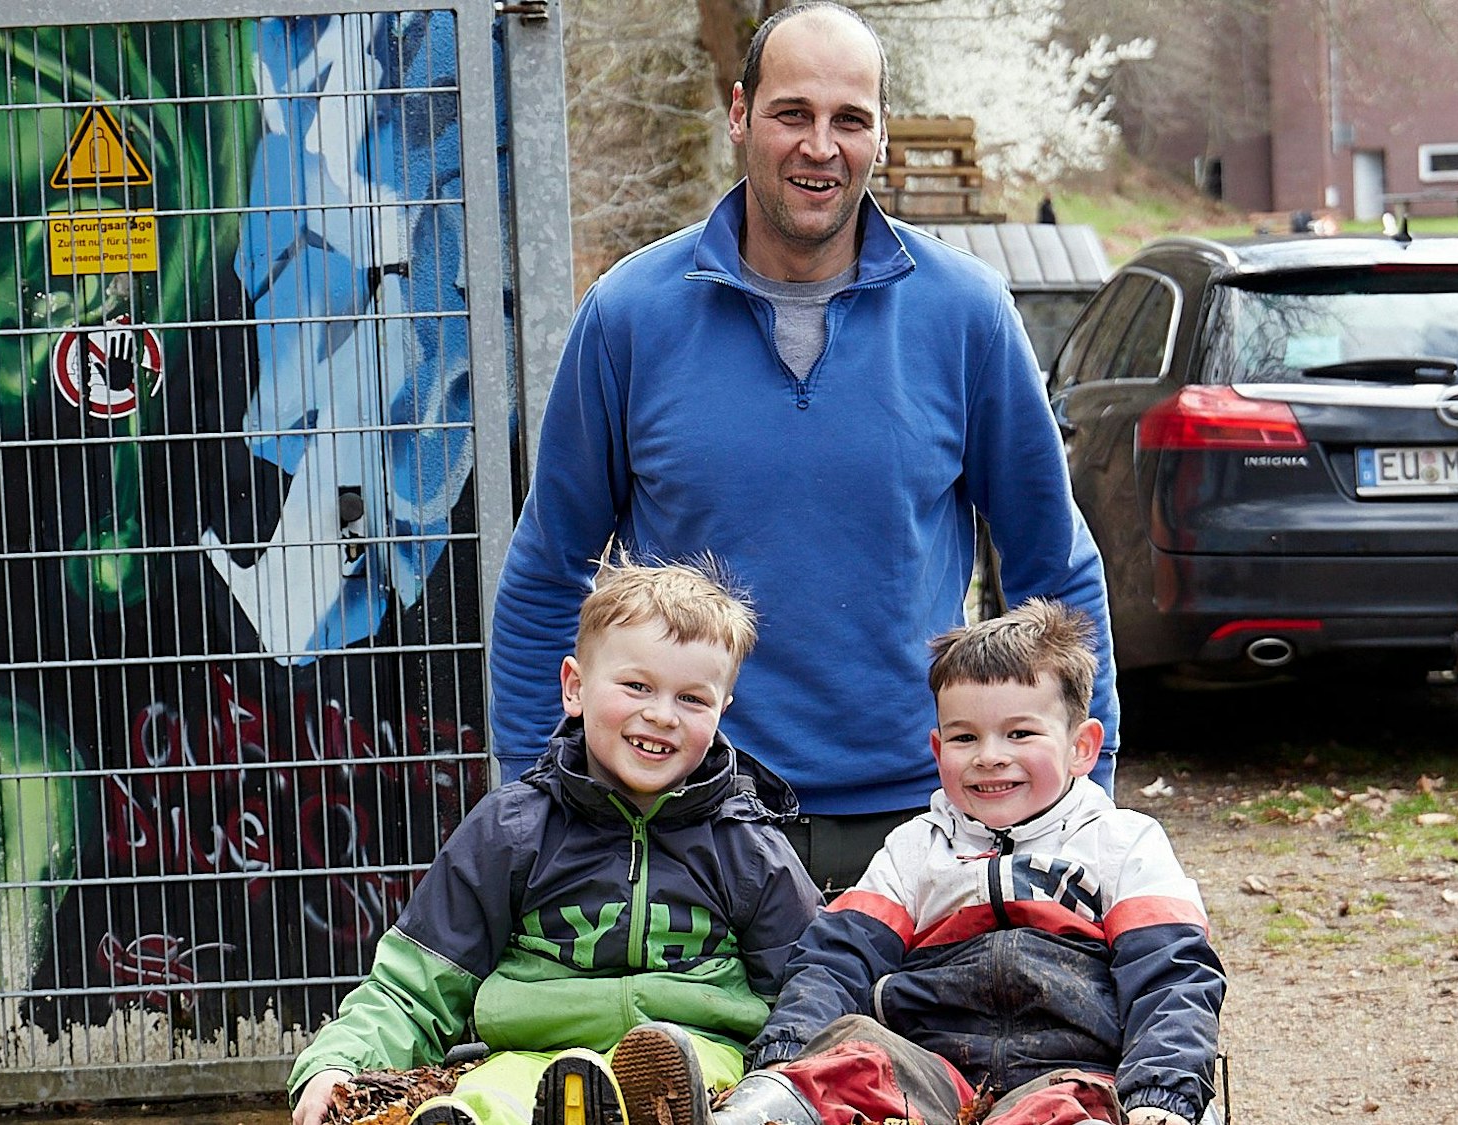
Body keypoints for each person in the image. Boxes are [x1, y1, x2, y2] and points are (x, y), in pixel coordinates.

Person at [487, 0, 1118, 893]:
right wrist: (534, 805)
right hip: (684, 822)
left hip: (925, 826)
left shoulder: (968, 315)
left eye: (849, 119)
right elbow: (550, 570)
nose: (820, 145)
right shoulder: (628, 317)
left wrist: (1086, 803)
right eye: (793, 113)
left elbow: (1055, 565)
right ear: (740, 113)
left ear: (881, 135)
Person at [635, 600, 1221, 1125]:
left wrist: (1159, 1094)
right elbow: (838, 955)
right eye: (965, 738)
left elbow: (1172, 973)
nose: (990, 757)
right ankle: (751, 1114)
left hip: (1071, 1067)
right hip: (930, 1071)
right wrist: (789, 1048)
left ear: (1081, 748)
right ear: (938, 749)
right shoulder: (917, 848)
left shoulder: (1124, 843)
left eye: (1019, 733)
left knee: (1070, 1110)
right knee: (851, 1053)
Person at [286, 557, 824, 1125]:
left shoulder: (745, 845)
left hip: (696, 1057)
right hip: (531, 1055)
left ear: (721, 711)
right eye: (637, 685)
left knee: (698, 1086)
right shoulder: (512, 831)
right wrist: (338, 1064)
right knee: (489, 1099)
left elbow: (809, 979)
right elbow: (415, 986)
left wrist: (780, 1068)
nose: (661, 714)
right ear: (576, 687)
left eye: (692, 699)